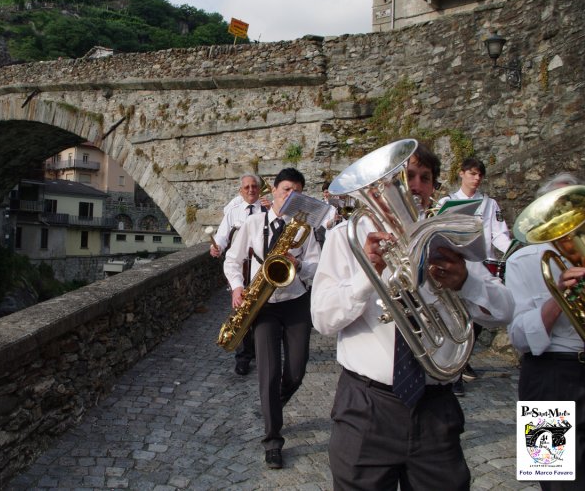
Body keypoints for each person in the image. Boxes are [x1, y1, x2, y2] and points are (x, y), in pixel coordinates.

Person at [311, 142, 514, 490]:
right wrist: (368, 275)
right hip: (367, 405)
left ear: (435, 187)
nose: (417, 185)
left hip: (435, 407)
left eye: (426, 177)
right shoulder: (347, 239)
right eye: (407, 177)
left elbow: (505, 310)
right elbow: (323, 320)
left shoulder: (448, 236)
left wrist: (466, 282)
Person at [224, 167, 321, 470]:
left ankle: (272, 407)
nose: (290, 196)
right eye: (285, 190)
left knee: (296, 370)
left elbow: (317, 265)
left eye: (296, 192)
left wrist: (299, 263)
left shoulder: (303, 229)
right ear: (274, 191)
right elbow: (232, 259)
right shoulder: (253, 223)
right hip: (262, 305)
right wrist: (238, 287)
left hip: (295, 302)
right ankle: (273, 439)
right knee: (268, 372)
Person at [505, 172, 584, 491]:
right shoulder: (522, 262)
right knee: (552, 479)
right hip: (546, 377)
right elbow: (519, 338)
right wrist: (558, 299)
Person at [438, 157, 512, 393]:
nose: (477, 178)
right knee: (457, 317)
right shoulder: (447, 202)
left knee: (476, 318)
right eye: (472, 173)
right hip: (458, 265)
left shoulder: (489, 203)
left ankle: (462, 359)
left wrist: (512, 250)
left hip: (482, 266)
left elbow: (499, 233)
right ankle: (456, 370)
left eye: (480, 174)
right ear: (461, 174)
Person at [210, 173, 268, 375]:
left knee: (263, 312)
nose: (251, 190)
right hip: (241, 269)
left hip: (262, 268)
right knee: (241, 312)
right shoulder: (233, 211)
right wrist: (216, 247)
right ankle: (243, 357)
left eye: (254, 186)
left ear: (259, 189)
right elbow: (222, 235)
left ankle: (263, 354)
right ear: (240, 191)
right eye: (247, 187)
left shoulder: (268, 209)